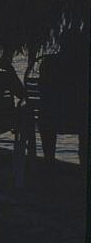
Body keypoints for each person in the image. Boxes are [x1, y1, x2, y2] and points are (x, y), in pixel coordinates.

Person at [38, 30, 89, 166]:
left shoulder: (48, 63)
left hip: (51, 119)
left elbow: (42, 91)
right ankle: (84, 163)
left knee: (47, 115)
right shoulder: (84, 66)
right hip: (79, 120)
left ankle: (49, 160)